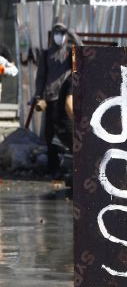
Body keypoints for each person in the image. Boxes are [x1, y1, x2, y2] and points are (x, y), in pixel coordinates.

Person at [33, 22, 82, 178]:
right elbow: (41, 77)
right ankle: (53, 168)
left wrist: (71, 32)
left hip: (66, 97)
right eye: (57, 32)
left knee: (67, 134)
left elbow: (83, 50)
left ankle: (72, 167)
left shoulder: (69, 52)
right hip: (50, 99)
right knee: (50, 135)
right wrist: (38, 96)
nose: (59, 36)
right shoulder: (47, 53)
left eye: (62, 33)